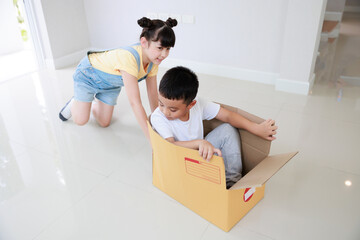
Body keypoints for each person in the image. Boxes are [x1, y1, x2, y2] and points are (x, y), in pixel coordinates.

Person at [150, 66, 277, 188]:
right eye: (161, 104)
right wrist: (199, 143)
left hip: (202, 153)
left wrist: (255, 128)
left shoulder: (198, 104)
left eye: (172, 109)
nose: (165, 112)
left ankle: (232, 183)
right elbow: (169, 146)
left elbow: (228, 116)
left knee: (227, 129)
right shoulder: (158, 117)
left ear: (190, 105)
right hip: (181, 162)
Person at [59, 17, 177, 139]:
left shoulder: (154, 61)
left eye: (168, 49)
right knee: (81, 120)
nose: (164, 54)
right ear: (144, 42)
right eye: (160, 48)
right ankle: (76, 101)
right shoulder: (129, 58)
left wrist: (159, 125)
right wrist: (151, 138)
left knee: (104, 123)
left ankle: (90, 102)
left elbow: (152, 95)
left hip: (110, 85)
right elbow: (135, 103)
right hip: (89, 75)